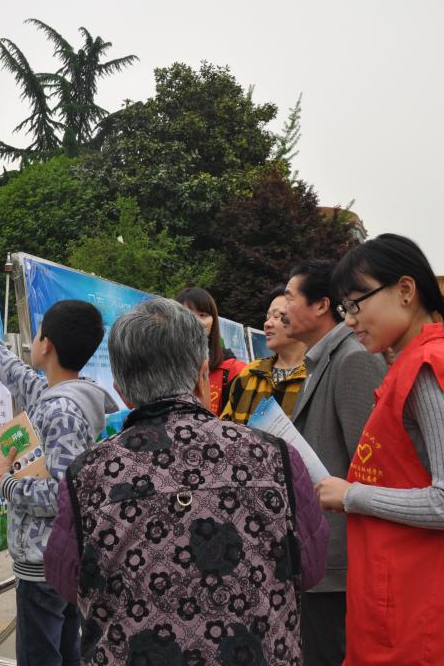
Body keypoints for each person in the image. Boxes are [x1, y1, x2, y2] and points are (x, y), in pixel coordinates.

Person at [42, 297, 328, 666]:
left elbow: (65, 578)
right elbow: (312, 567)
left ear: (122, 391)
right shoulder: (276, 456)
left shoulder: (87, 473)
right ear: (201, 376)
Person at [316, 234, 444, 665]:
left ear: (405, 290)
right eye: (345, 309)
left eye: (355, 304)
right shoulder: (419, 364)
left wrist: (352, 495)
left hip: (421, 614)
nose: (350, 321)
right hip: (410, 599)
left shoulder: (426, 368)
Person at [0, 296, 117, 666]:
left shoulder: (60, 411)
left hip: (45, 565)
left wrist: (4, 482)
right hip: (60, 558)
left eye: (37, 334)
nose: (31, 342)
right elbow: (14, 372)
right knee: (67, 650)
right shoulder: (58, 396)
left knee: (39, 656)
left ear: (47, 345)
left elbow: (62, 495)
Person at [282, 260, 386, 666]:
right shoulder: (323, 359)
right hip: (321, 553)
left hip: (340, 562)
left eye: (289, 297)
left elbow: (373, 462)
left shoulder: (353, 359)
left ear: (322, 305)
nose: (282, 309)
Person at [222, 285, 308, 424]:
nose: (267, 323)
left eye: (277, 316)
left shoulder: (316, 375)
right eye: (267, 317)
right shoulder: (250, 372)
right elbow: (225, 425)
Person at [177, 287, 247, 416]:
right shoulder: (160, 368)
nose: (196, 321)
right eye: (187, 315)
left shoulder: (234, 371)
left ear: (213, 321)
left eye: (202, 315)